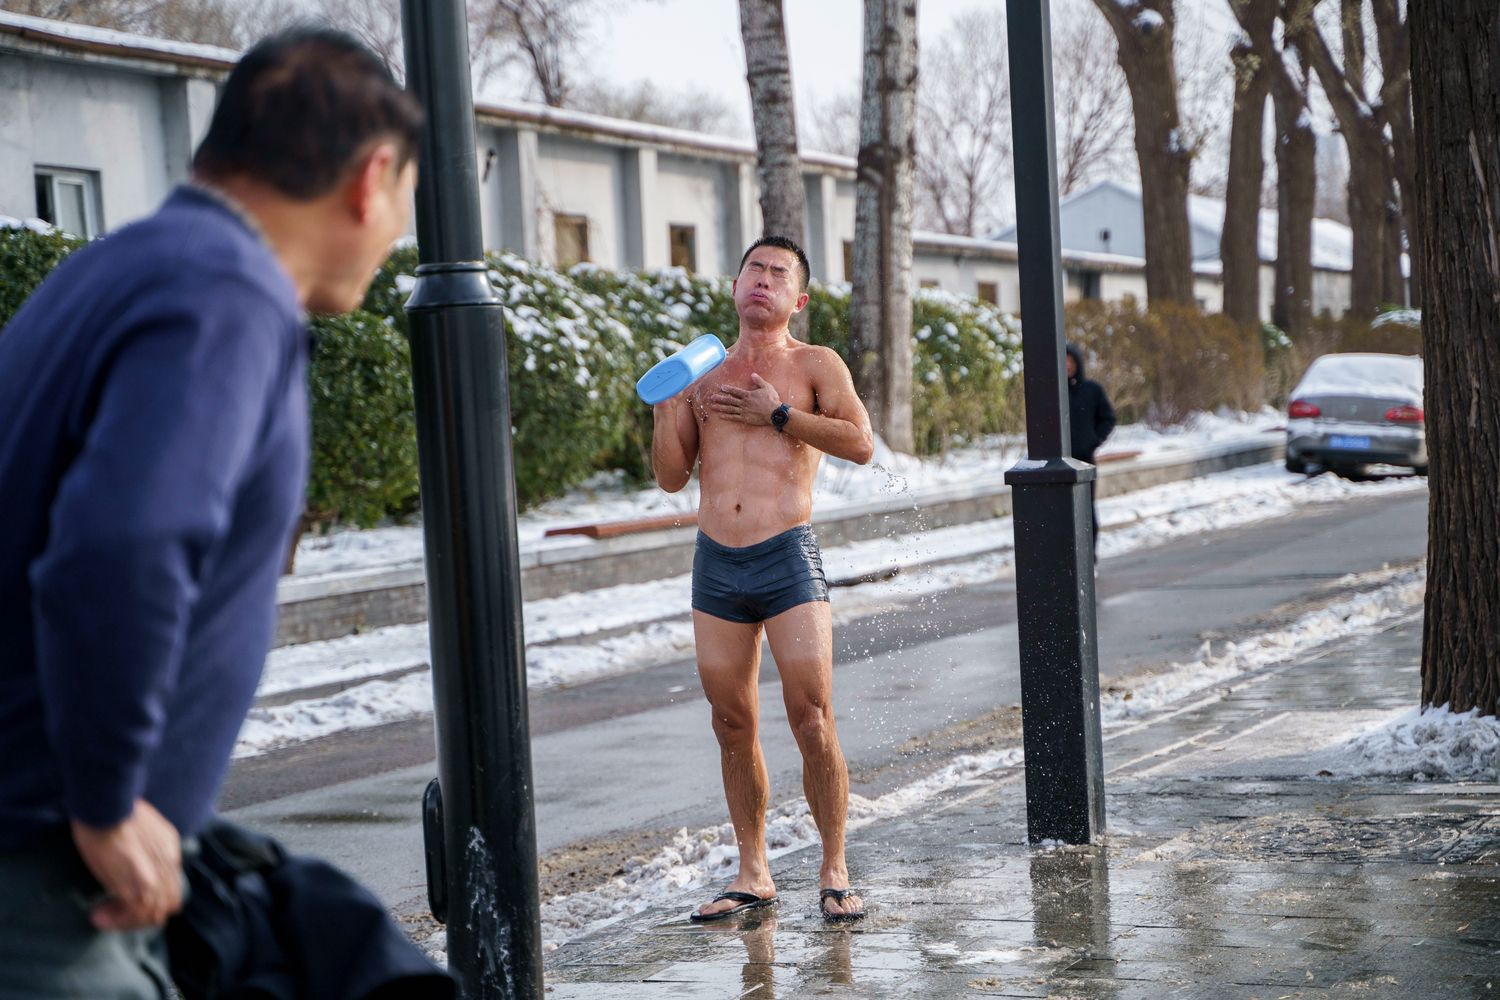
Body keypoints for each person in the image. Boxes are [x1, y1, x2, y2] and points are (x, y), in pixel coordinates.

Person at [0, 28, 423, 997]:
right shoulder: (226, 290)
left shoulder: (122, 266)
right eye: (407, 198)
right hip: (53, 875)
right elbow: (120, 545)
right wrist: (106, 803)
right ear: (373, 176)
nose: (399, 227)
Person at [651, 235, 875, 924]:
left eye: (779, 274)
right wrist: (666, 406)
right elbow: (670, 476)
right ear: (736, 284)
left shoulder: (815, 363)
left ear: (797, 299)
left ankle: (834, 868)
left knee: (811, 715)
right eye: (754, 268)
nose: (763, 280)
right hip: (717, 560)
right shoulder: (703, 371)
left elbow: (860, 443)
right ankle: (753, 873)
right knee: (730, 720)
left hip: (786, 554)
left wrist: (776, 415)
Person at [1065, 342, 1117, 557]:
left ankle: (1089, 557)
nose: (1067, 365)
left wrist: (1093, 440)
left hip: (1084, 458)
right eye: (1063, 361)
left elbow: (1108, 418)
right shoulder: (1053, 391)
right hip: (1059, 459)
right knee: (1063, 512)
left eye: (1071, 360)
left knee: (1086, 509)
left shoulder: (1092, 390)